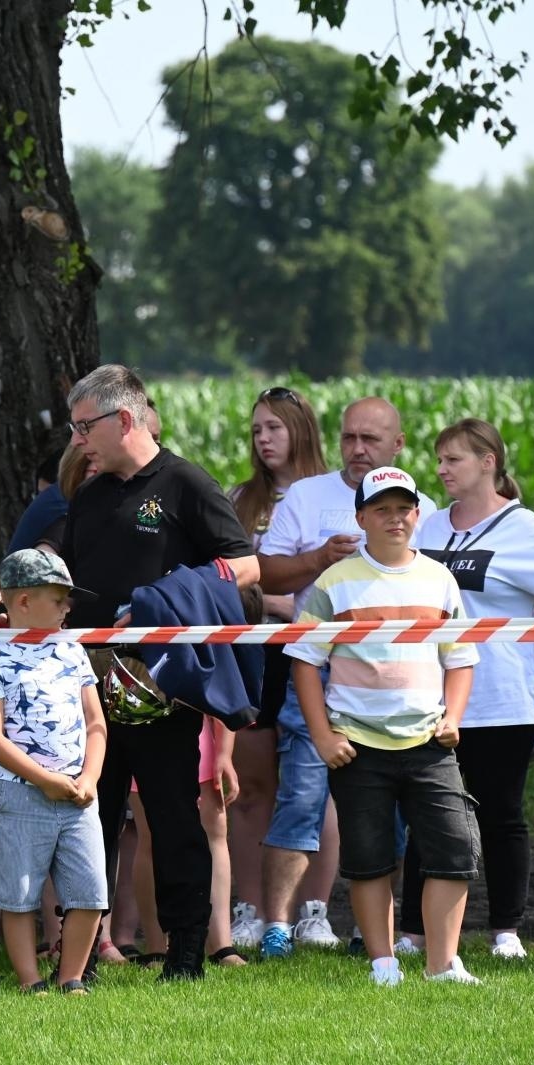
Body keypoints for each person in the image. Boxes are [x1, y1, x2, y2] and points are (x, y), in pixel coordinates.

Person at [61, 365, 257, 981]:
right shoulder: (89, 496)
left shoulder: (186, 483)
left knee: (173, 819)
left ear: (123, 419)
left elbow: (245, 566)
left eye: (84, 427)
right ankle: (82, 956)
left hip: (162, 684)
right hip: (91, 685)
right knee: (90, 818)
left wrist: (163, 602)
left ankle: (186, 954)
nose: (77, 442)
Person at [405, 418, 534, 960]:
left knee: (499, 814)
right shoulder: (430, 526)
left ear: (488, 462)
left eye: (453, 460)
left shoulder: (524, 529)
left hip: (501, 700)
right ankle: (414, 934)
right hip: (431, 697)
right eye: (439, 459)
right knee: (427, 814)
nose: (441, 470)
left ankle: (506, 931)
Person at [288, 466, 481, 986]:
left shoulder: (440, 579)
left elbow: (460, 658)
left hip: (430, 741)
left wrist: (453, 717)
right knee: (368, 860)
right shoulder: (334, 582)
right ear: (361, 519)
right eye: (381, 510)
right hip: (357, 744)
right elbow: (304, 662)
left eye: (403, 509)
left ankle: (442, 965)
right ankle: (383, 964)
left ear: (418, 514)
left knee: (454, 850)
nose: (395, 519)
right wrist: (324, 736)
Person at [255, 396, 408, 958]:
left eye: (371, 439)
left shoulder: (416, 504)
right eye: (349, 438)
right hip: (316, 671)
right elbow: (266, 574)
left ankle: (373, 930)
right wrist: (318, 558)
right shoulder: (306, 495)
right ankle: (278, 925)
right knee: (301, 795)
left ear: (398, 444)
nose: (358, 449)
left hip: (390, 678)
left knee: (390, 807)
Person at [0, 548, 108, 994]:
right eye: (59, 598)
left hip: (78, 794)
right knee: (20, 893)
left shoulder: (73, 651)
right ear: (24, 601)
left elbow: (96, 723)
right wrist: (44, 780)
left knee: (90, 890)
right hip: (21, 794)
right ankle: (30, 981)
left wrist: (88, 778)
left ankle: (71, 977)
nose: (68, 608)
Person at [223, 386, 328, 949]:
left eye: (274, 428)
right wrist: (275, 599)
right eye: (256, 430)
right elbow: (227, 581)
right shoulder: (239, 500)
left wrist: (281, 597)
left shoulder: (332, 495)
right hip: (255, 655)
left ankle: (313, 911)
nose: (263, 439)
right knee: (252, 786)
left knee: (314, 787)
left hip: (316, 653)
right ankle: (250, 909)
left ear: (301, 429)